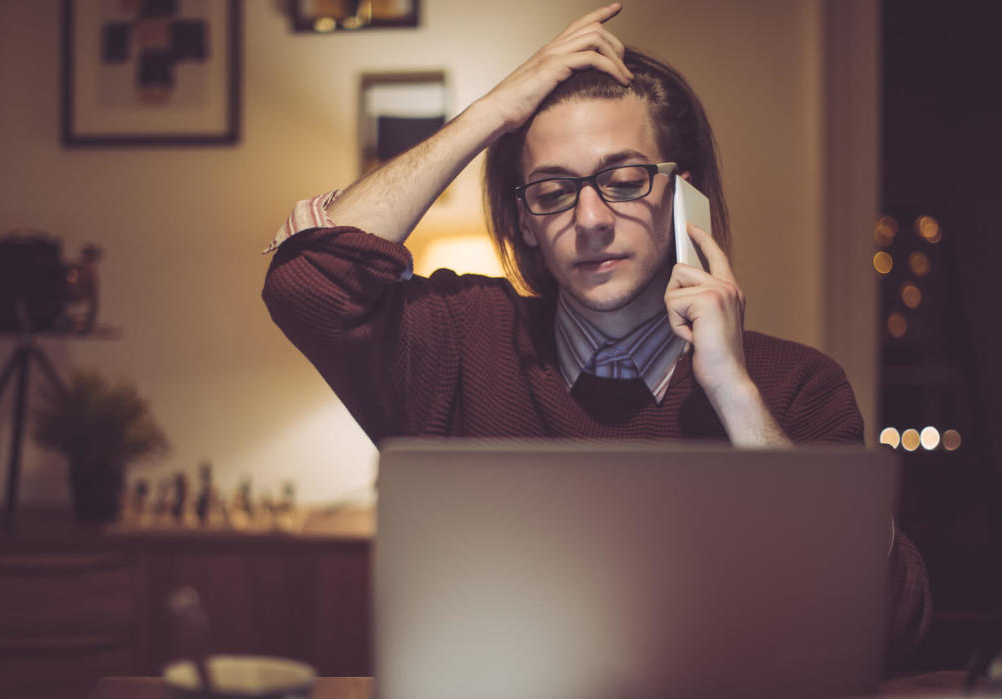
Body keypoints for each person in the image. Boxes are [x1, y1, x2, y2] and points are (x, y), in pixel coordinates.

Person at [262, 3, 930, 665]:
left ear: (679, 196)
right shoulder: (463, 341)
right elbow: (307, 282)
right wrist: (494, 110)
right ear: (524, 221)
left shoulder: (796, 387)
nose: (589, 218)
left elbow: (893, 623)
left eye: (623, 179)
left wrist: (734, 395)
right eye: (552, 190)